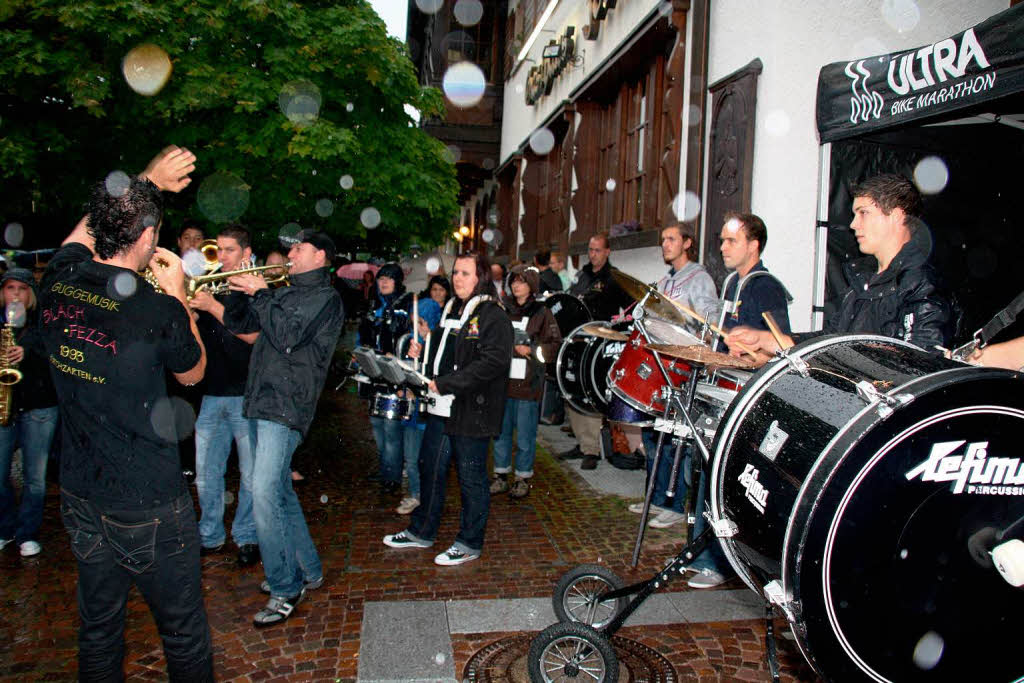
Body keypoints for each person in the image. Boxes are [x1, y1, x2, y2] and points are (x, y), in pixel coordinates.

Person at [39, 146, 214, 680]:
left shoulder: (58, 280)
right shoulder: (156, 306)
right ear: (146, 238)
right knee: (183, 634)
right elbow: (193, 374)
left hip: (82, 492)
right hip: (149, 501)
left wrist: (144, 182)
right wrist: (181, 295)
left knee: (98, 629)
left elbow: (82, 234)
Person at [226, 229, 344, 627]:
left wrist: (261, 292)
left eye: (299, 248)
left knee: (262, 494)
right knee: (278, 492)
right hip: (262, 400)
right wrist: (238, 291)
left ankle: (284, 586)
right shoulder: (284, 291)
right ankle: (308, 569)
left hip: (286, 406)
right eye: (290, 248)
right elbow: (240, 323)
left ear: (321, 256)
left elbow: (288, 337)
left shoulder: (324, 298)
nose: (290, 254)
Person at [383, 251, 513, 566]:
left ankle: (469, 542)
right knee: (431, 468)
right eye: (456, 272)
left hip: (472, 409)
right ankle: (422, 531)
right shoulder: (453, 307)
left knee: (471, 478)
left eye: (466, 273)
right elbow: (449, 350)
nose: (457, 278)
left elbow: (491, 363)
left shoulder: (492, 314)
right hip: (444, 407)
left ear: (480, 277)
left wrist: (447, 383)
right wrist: (424, 344)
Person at [728, 174, 951, 355]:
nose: (854, 224)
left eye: (863, 213)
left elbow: (920, 362)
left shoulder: (921, 284)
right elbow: (832, 340)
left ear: (896, 216)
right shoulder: (862, 280)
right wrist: (769, 339)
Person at [188, 225, 262, 567]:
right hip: (212, 392)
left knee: (249, 475)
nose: (220, 256)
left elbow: (252, 335)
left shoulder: (257, 291)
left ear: (246, 254)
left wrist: (211, 305)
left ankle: (246, 535)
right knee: (205, 472)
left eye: (229, 250)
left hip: (246, 393)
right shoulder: (209, 286)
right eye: (218, 249)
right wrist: (188, 309)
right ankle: (211, 535)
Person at [636, 223, 718, 529]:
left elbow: (710, 323)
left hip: (681, 367)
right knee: (652, 432)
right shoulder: (664, 280)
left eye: (671, 239)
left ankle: (672, 503)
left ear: (687, 243)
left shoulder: (699, 279)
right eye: (663, 240)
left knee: (672, 437)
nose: (665, 244)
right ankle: (656, 499)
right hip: (660, 364)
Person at [561, 233, 633, 469]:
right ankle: (582, 442)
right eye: (590, 250)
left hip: (599, 345)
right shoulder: (582, 275)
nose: (593, 254)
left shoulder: (615, 278)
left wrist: (618, 328)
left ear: (607, 251)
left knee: (590, 393)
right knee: (572, 390)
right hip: (577, 340)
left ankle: (592, 449)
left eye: (598, 250)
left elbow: (631, 307)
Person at [0, 268, 58, 557]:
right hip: (4, 407)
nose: (16, 295)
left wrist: (29, 351)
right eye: (11, 288)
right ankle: (5, 528)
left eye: (22, 289)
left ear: (31, 295)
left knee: (35, 477)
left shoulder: (44, 321)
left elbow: (57, 354)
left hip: (40, 407)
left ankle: (27, 533)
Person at [491, 266, 561, 498]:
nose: (516, 286)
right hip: (503, 383)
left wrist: (531, 350)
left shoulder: (542, 312)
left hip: (528, 384)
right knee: (500, 433)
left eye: (521, 282)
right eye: (513, 281)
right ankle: (500, 475)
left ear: (531, 284)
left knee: (525, 436)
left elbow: (554, 344)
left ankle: (522, 477)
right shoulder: (502, 309)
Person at [357, 263, 413, 496]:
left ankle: (392, 476)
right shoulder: (374, 306)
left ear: (398, 281)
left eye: (389, 278)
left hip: (394, 377)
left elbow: (410, 342)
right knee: (378, 427)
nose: (384, 282)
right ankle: (386, 468)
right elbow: (363, 337)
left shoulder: (406, 307)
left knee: (391, 428)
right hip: (373, 376)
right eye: (381, 278)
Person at [394, 297, 442, 515]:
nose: (418, 329)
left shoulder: (440, 345)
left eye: (421, 323)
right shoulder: (410, 343)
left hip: (430, 413)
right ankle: (416, 494)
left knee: (429, 460)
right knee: (411, 458)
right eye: (415, 323)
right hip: (413, 413)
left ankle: (429, 497)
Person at [716, 212, 792, 345]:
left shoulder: (767, 287)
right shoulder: (732, 282)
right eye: (722, 241)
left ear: (753, 246)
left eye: (731, 241)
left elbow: (781, 348)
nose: (723, 248)